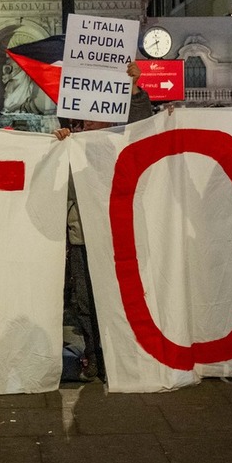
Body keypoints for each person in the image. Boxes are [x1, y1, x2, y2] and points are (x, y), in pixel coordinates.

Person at [53, 61, 151, 381]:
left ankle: (122, 354)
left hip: (117, 235)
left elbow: (143, 124)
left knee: (123, 297)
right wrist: (60, 146)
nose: (95, 117)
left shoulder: (118, 139)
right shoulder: (69, 142)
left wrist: (134, 88)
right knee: (86, 304)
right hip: (83, 237)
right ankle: (95, 356)